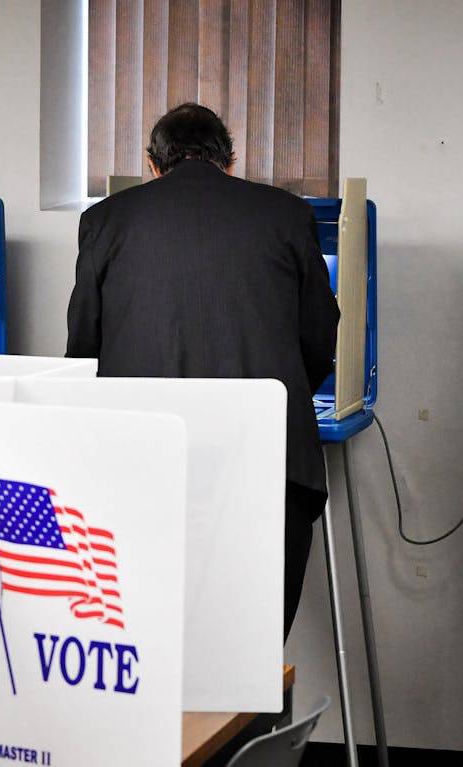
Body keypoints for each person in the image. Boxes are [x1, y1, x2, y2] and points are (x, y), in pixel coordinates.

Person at [65, 102, 339, 641]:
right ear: (230, 161)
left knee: (149, 639)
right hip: (267, 459)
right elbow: (319, 337)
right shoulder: (286, 214)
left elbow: (83, 347)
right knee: (254, 644)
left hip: (143, 461)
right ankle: (253, 725)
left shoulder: (105, 221)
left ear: (151, 163)